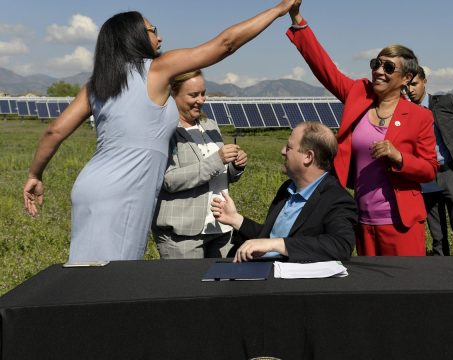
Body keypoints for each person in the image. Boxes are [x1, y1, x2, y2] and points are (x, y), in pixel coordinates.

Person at [22, 1, 297, 262]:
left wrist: (35, 174)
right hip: (123, 194)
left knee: (91, 273)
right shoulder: (157, 70)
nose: (160, 39)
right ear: (135, 37)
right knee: (110, 281)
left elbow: (54, 131)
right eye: (153, 31)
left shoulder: (99, 83)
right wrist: (278, 9)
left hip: (93, 187)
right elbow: (226, 44)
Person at [286, 1, 438, 256]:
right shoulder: (359, 94)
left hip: (401, 224)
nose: (379, 71)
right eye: (376, 63)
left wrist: (399, 157)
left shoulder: (419, 116)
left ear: (406, 78)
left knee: (405, 291)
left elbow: (430, 169)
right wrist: (298, 19)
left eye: (388, 67)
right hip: (362, 219)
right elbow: (325, 69)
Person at [211, 122, 357, 263]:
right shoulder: (288, 188)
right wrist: (235, 219)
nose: (282, 151)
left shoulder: (337, 199)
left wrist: (278, 245)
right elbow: (270, 237)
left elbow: (341, 245)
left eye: (288, 147)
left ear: (308, 157)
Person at [152, 70, 247, 259]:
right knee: (186, 287)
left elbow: (219, 175)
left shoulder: (210, 125)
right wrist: (217, 159)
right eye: (193, 95)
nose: (201, 100)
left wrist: (235, 167)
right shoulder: (164, 130)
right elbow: (168, 180)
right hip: (183, 234)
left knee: (220, 287)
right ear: (173, 94)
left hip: (220, 226)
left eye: (203, 93)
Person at [406, 66, 453, 256]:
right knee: (437, 233)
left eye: (414, 84)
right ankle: (442, 270)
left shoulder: (446, 103)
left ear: (425, 82)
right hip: (426, 176)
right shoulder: (406, 112)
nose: (410, 90)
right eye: (406, 86)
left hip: (452, 172)